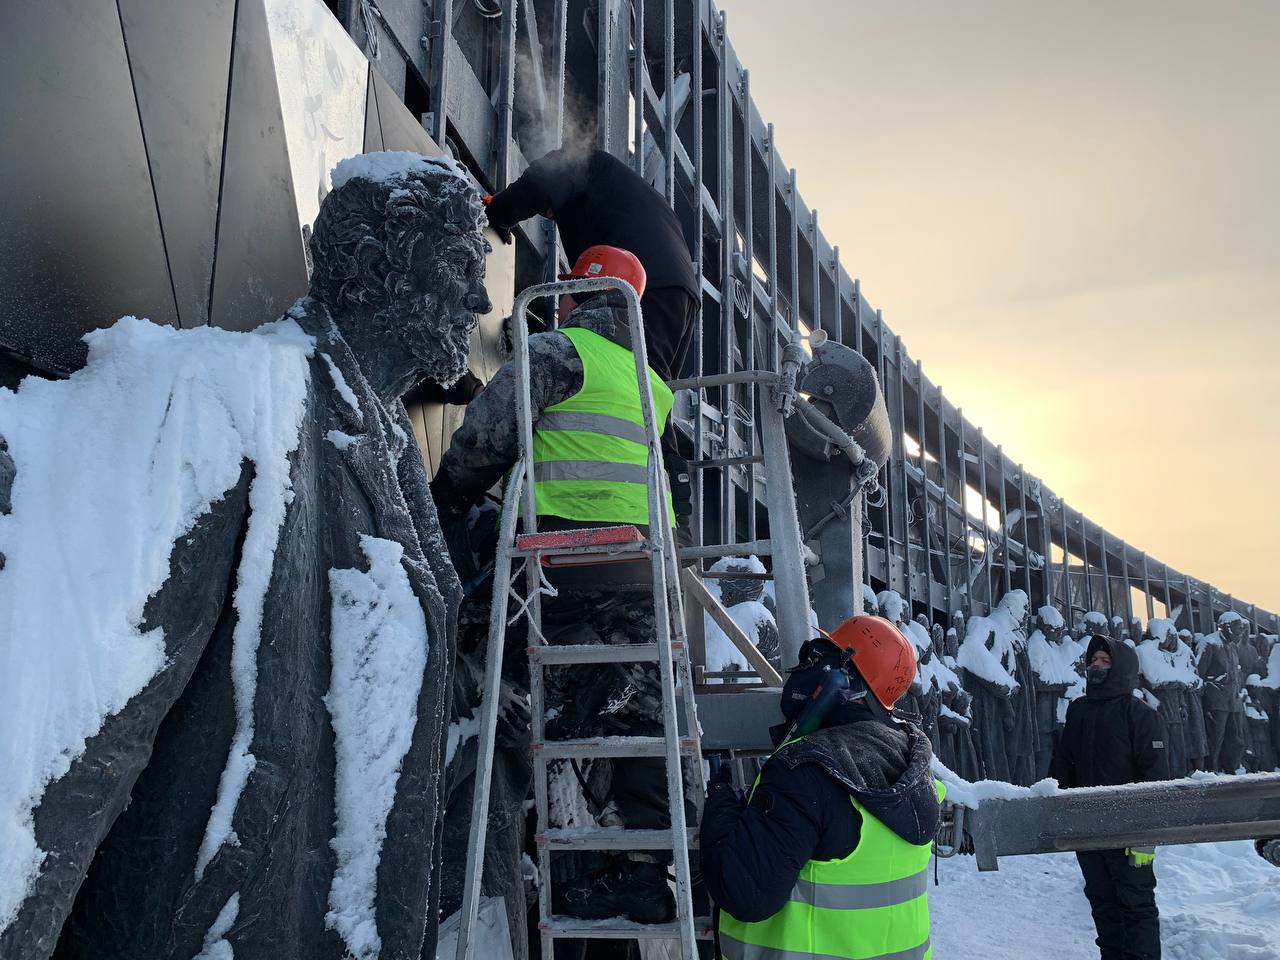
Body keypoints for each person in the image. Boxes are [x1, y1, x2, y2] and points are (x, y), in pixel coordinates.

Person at [432, 244, 682, 925]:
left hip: (560, 563)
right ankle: (641, 872)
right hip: (640, 571)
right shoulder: (654, 387)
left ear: (577, 294)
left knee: (471, 643)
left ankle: (492, 759)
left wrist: (447, 496)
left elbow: (489, 437)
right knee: (637, 714)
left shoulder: (559, 351)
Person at [701, 615, 944, 960]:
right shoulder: (910, 762)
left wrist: (721, 806)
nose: (803, 668)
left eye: (816, 659)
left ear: (843, 680)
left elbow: (745, 892)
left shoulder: (805, 772)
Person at [483, 146, 699, 382]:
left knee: (624, 381)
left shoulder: (582, 160)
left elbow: (539, 182)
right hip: (683, 295)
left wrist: (495, 212)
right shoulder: (622, 193)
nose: (549, 213)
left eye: (549, 210)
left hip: (643, 281)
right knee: (651, 382)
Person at [1052, 635, 1169, 960]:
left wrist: (1146, 839)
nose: (1096, 666)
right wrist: (1064, 817)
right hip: (1088, 833)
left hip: (1130, 834)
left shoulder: (1141, 714)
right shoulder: (1078, 711)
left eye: (1104, 661)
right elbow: (1064, 766)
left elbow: (1156, 780)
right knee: (1103, 908)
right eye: (1093, 661)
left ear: (1122, 668)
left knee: (1137, 909)